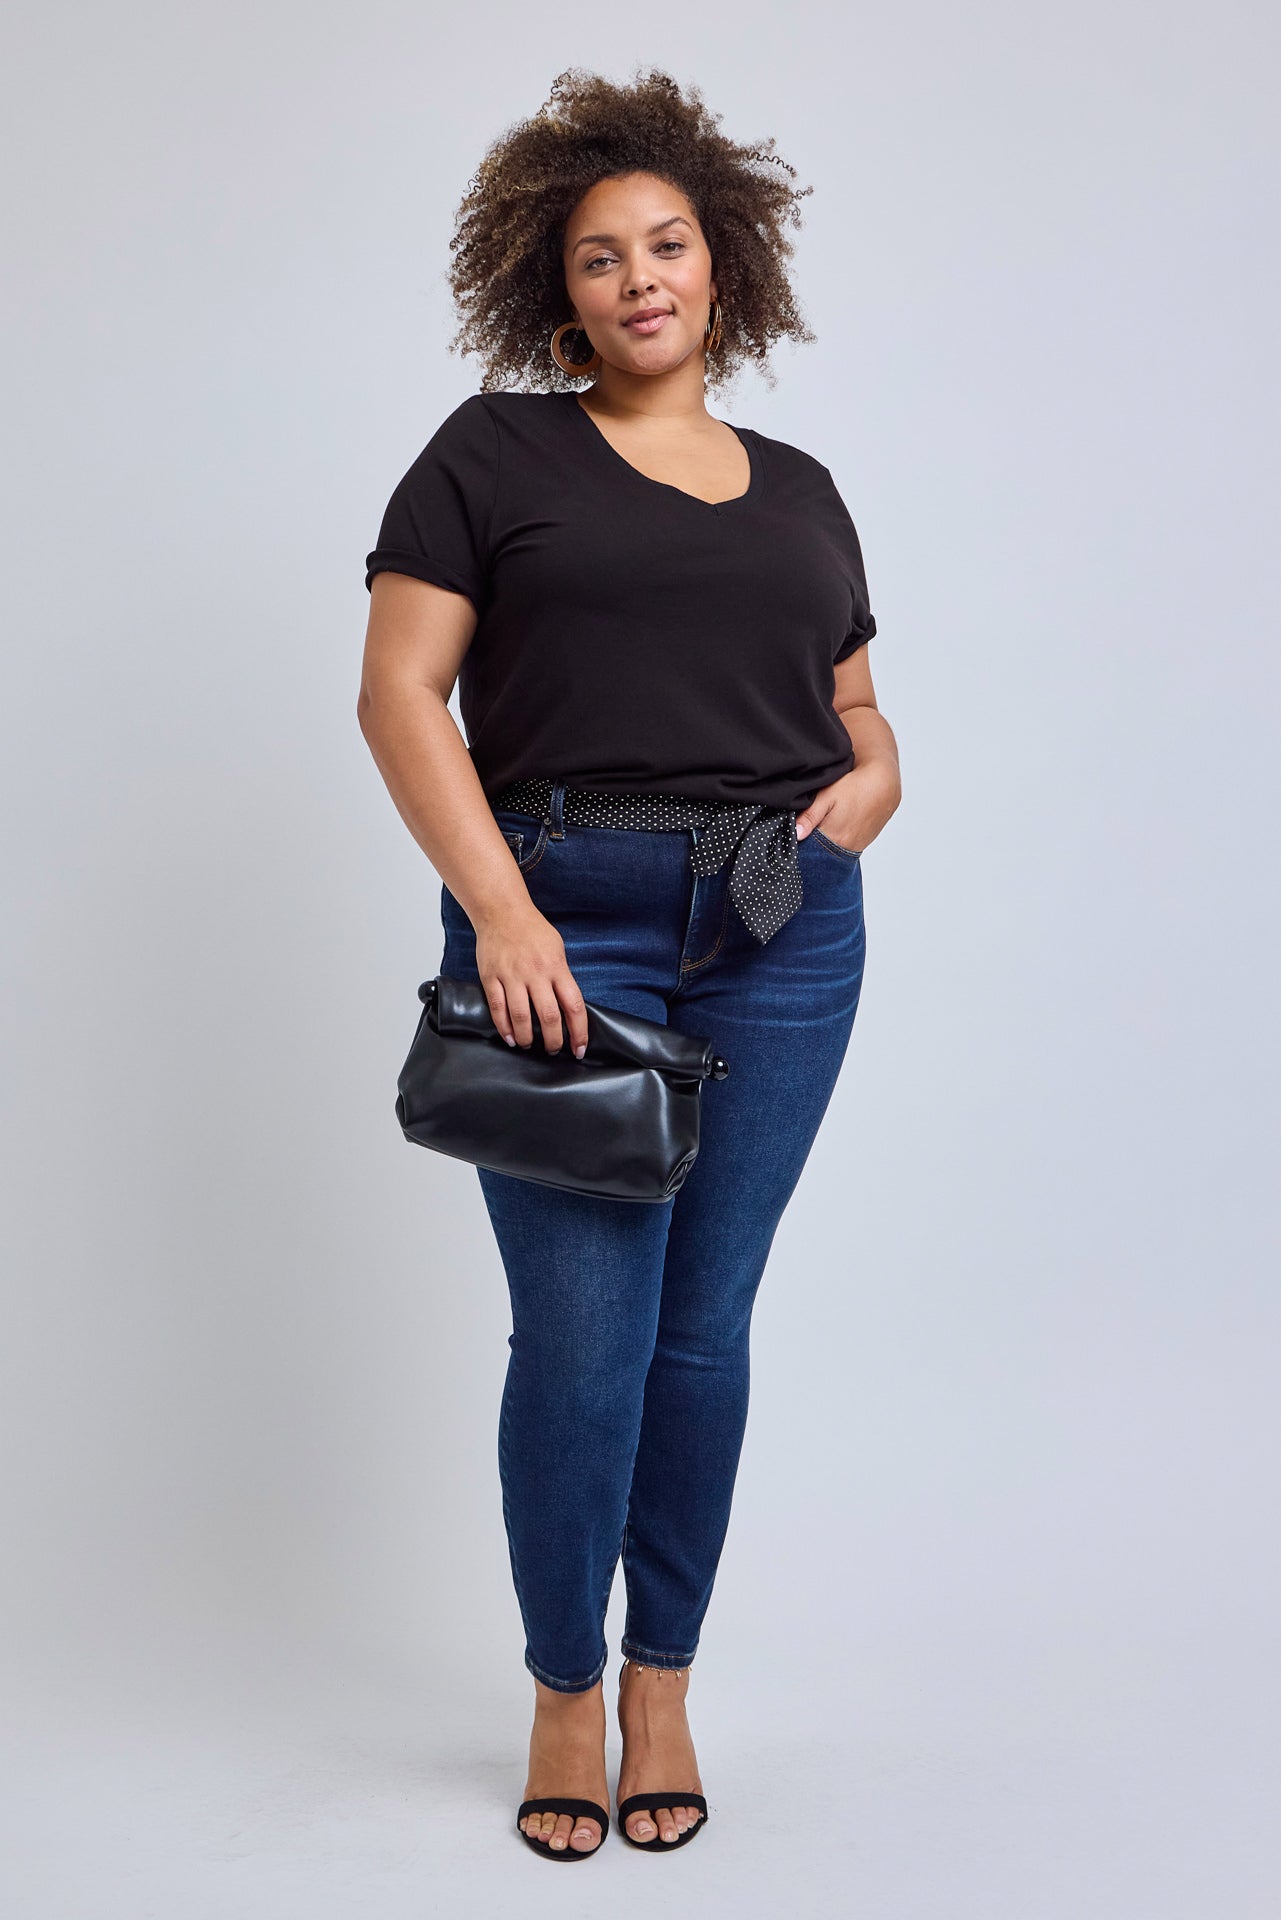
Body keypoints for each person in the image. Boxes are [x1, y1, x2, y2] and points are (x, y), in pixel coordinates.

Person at [357, 66, 901, 1862]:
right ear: (554, 286)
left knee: (702, 1331)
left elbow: (851, 711)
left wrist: (874, 777)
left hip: (779, 932)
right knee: (582, 1347)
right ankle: (561, 1692)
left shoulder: (806, 489)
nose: (639, 277)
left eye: (668, 244)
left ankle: (660, 1680)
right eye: (600, 257)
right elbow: (396, 695)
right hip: (563, 923)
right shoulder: (493, 452)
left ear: (723, 264)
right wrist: (503, 914)